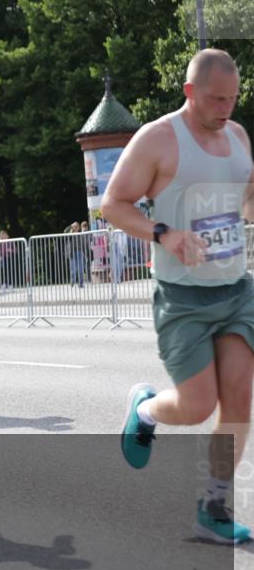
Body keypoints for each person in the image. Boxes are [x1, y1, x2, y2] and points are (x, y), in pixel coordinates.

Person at [103, 48, 254, 544]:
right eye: (216, 99)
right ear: (190, 91)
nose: (226, 108)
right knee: (195, 406)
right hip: (183, 297)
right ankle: (145, 410)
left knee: (238, 402)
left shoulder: (236, 135)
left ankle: (212, 507)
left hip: (236, 291)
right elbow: (113, 204)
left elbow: (245, 202)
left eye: (233, 98)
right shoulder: (159, 139)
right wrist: (164, 233)